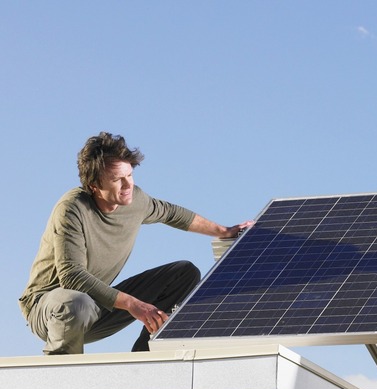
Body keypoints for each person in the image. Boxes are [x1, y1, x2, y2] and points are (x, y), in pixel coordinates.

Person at [19, 132, 253, 355]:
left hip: (96, 307)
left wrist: (224, 230)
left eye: (129, 175)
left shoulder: (135, 200)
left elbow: (172, 213)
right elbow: (72, 277)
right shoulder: (72, 209)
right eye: (116, 180)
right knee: (76, 302)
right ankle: (60, 381)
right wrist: (134, 304)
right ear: (94, 186)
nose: (127, 185)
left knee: (185, 273)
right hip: (49, 309)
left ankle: (145, 359)